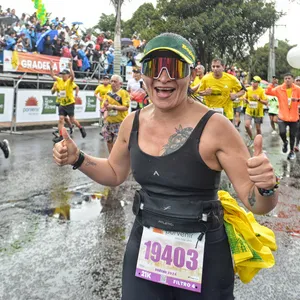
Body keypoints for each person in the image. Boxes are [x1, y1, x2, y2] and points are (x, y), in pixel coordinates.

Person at [53, 33, 278, 300]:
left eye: (174, 67)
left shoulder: (217, 128)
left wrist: (266, 187)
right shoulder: (132, 122)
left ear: (191, 74)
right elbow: (114, 173)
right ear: (143, 73)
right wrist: (78, 158)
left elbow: (258, 203)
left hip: (204, 253)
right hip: (145, 246)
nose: (163, 76)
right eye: (153, 66)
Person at [50, 61, 87, 143]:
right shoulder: (59, 80)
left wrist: (70, 67)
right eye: (62, 74)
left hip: (70, 103)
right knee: (61, 119)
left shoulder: (70, 81)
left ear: (68, 75)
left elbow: (73, 76)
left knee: (72, 119)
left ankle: (81, 128)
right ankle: (60, 135)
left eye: (64, 74)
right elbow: (53, 76)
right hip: (62, 103)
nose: (63, 75)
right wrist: (51, 67)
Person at [266, 73, 300, 160]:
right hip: (282, 116)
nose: (287, 80)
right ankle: (285, 142)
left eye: (289, 78)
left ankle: (291, 151)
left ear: (292, 80)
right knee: (282, 132)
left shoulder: (297, 89)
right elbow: (268, 92)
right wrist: (271, 84)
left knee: (292, 135)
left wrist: (297, 100)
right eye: (285, 78)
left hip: (294, 117)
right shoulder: (279, 88)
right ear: (283, 80)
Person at [100, 74, 130, 153]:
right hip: (109, 122)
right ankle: (111, 159)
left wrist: (113, 107)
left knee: (117, 144)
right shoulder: (108, 93)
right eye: (112, 81)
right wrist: (105, 114)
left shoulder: (124, 93)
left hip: (120, 123)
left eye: (115, 81)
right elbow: (105, 107)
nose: (112, 83)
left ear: (120, 84)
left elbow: (126, 107)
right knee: (108, 141)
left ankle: (117, 160)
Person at [243, 76, 268, 146]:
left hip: (258, 112)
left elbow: (266, 102)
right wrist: (245, 100)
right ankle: (251, 138)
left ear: (258, 83)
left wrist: (259, 99)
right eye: (253, 81)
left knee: (258, 129)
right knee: (247, 125)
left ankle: (259, 142)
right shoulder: (248, 89)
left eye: (255, 82)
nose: (253, 83)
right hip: (249, 110)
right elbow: (244, 97)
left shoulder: (261, 91)